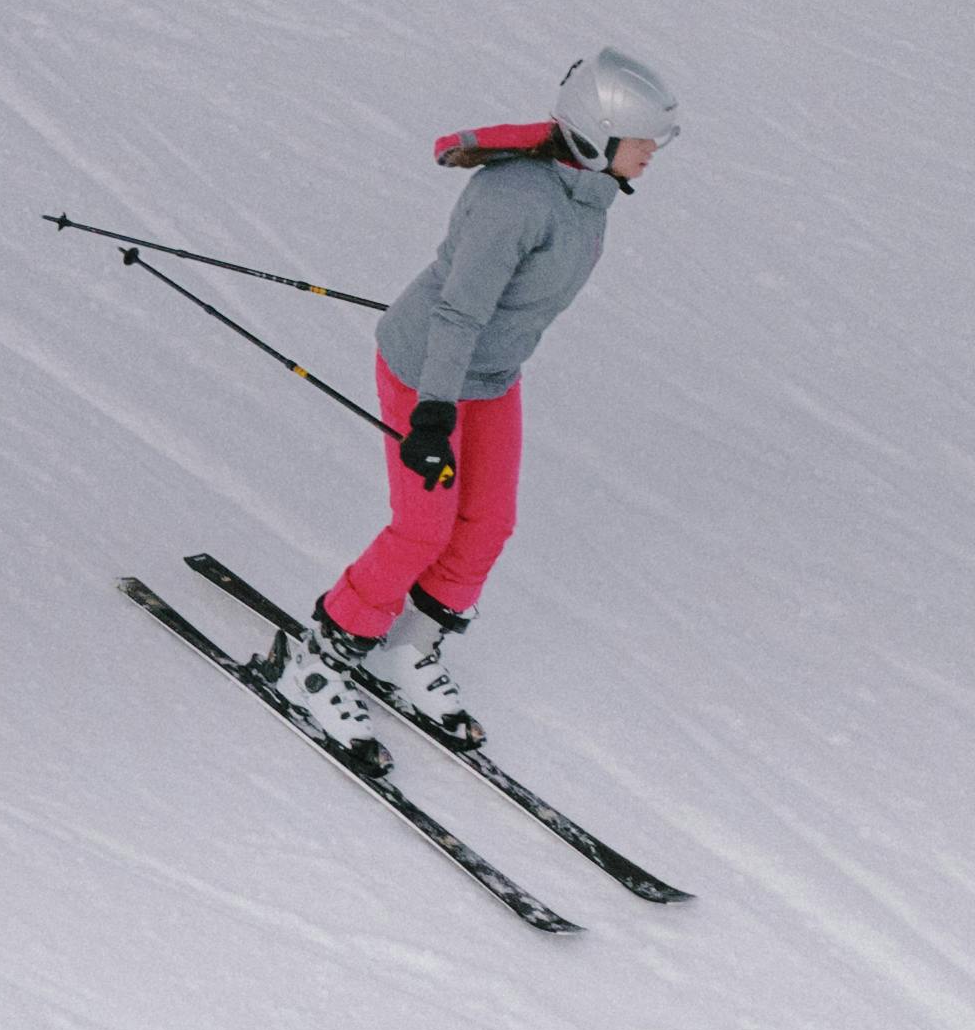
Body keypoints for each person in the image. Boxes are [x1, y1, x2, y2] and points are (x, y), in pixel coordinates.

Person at [272, 48, 678, 757]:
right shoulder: (515, 200)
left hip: (490, 374)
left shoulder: (588, 197)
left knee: (488, 522)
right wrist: (432, 413)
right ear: (598, 134)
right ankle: (315, 660)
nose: (652, 153)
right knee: (422, 527)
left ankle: (409, 650)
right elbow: (458, 313)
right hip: (430, 367)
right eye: (644, 139)